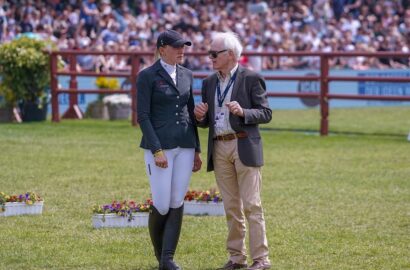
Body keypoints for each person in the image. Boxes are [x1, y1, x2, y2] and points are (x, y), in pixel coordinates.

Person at [194, 32, 272, 270]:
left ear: (230, 55)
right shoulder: (208, 83)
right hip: (219, 145)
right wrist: (200, 117)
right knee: (231, 207)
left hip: (243, 144)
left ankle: (261, 260)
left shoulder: (251, 78)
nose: (210, 58)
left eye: (214, 54)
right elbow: (208, 120)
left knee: (252, 205)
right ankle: (237, 258)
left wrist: (243, 112)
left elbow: (266, 113)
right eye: (210, 54)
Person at [137, 29, 202, 270]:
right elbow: (143, 117)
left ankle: (167, 259)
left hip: (184, 144)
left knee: (177, 201)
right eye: (176, 47)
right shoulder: (147, 76)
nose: (181, 51)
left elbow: (190, 111)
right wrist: (156, 150)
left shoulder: (187, 74)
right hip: (160, 146)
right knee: (162, 203)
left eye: (183, 46)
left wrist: (196, 149)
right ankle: (160, 255)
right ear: (162, 48)